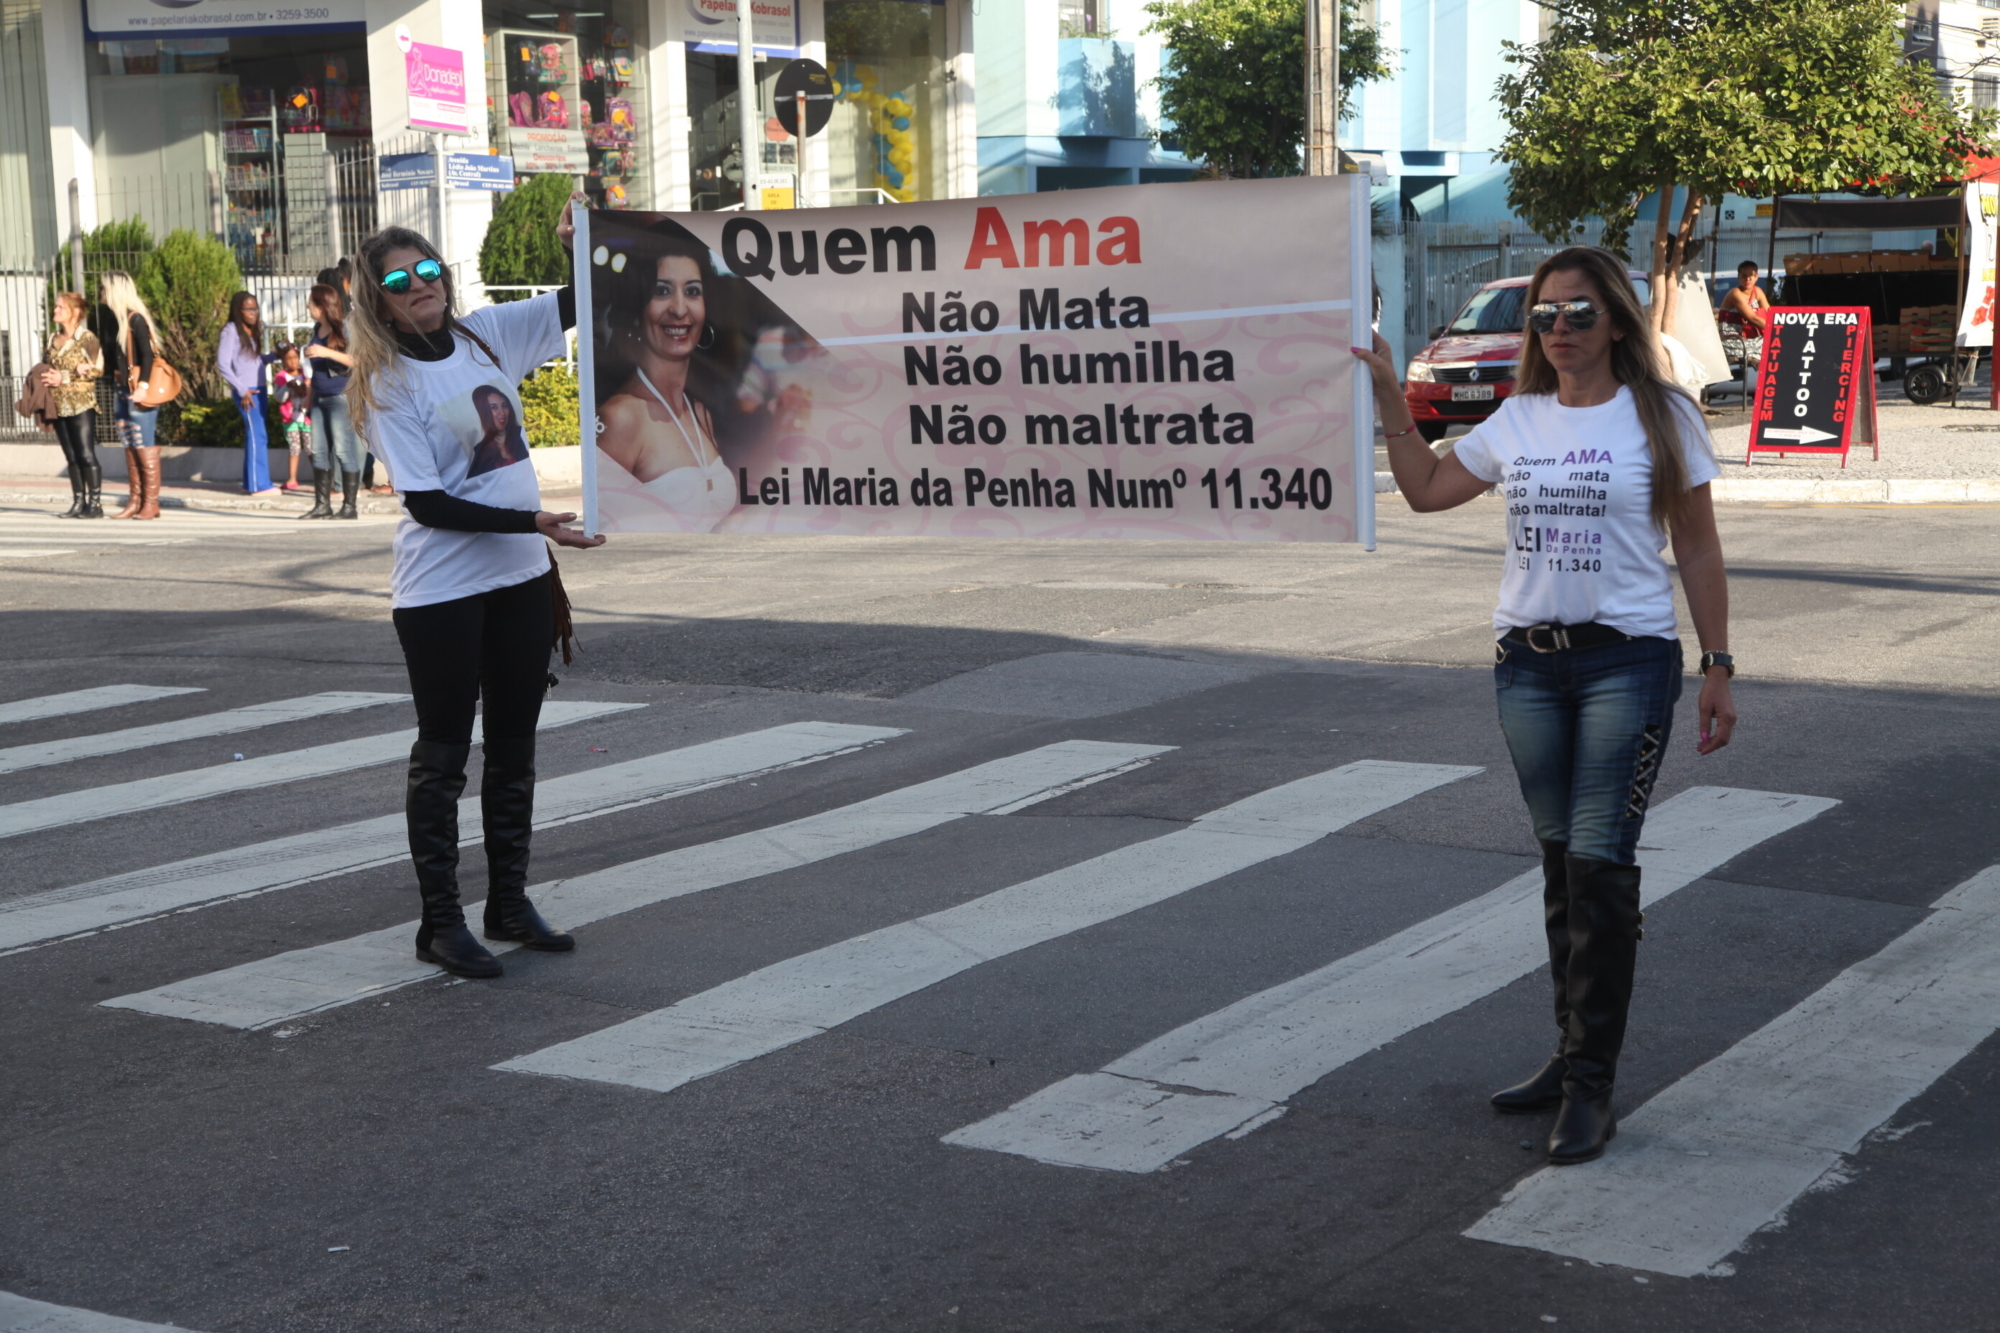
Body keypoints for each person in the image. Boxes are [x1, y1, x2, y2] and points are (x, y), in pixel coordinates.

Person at [1354, 245, 1737, 1167]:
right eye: (1543, 316)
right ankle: (1570, 1058)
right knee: (1564, 865)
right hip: (1528, 667)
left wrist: (1718, 662)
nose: (1557, 331)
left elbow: (1696, 546)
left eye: (1576, 313)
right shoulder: (1518, 419)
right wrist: (1384, 399)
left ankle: (1592, 1088)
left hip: (1627, 662)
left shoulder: (1661, 415)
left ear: (1616, 319)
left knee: (1602, 867)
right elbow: (1428, 491)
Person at [344, 205, 602, 981]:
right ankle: (441, 922)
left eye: (427, 270)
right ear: (377, 298)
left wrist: (578, 245)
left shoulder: (487, 334)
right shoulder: (387, 383)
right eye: (398, 279)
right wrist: (534, 518)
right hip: (441, 593)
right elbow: (426, 503)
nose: (419, 285)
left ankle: (509, 903)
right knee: (445, 754)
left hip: (522, 577)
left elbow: (579, 299)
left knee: (515, 746)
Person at [596, 235, 733, 528]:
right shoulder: (620, 417)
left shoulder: (700, 412)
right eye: (662, 291)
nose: (680, 309)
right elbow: (606, 535)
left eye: (693, 291)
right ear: (637, 305)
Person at [96, 271, 164, 521]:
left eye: (103, 288)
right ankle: (134, 500)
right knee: (129, 444)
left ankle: (151, 503)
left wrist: (143, 386)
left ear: (115, 290)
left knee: (144, 444)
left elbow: (147, 355)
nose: (100, 293)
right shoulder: (114, 320)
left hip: (138, 390)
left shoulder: (135, 319)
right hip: (121, 388)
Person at [302, 282, 364, 521]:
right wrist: (308, 398)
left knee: (342, 450)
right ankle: (322, 505)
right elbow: (314, 371)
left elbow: (358, 361)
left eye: (311, 303)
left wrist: (326, 352)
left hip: (340, 397)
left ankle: (349, 507)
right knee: (318, 451)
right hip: (319, 397)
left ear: (321, 305)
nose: (308, 307)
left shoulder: (345, 328)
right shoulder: (316, 329)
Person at [42, 292, 104, 519]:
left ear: (75, 312)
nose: (55, 310)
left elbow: (98, 369)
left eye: (60, 307)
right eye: (55, 306)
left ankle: (95, 504)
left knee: (86, 454)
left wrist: (66, 376)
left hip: (81, 404)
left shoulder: (87, 338)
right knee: (71, 456)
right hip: (58, 404)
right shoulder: (52, 338)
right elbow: (48, 367)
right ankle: (78, 502)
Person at [217, 291, 279, 496]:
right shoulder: (230, 331)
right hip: (247, 392)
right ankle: (259, 485)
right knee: (257, 436)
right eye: (249, 309)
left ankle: (249, 482)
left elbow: (252, 360)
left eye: (256, 308)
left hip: (259, 389)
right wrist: (242, 389)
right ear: (238, 310)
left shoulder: (250, 331)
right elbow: (223, 364)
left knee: (256, 436)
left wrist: (273, 356)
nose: (254, 313)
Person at [272, 343, 313, 491]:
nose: (293, 361)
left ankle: (320, 477)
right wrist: (287, 387)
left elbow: (312, 390)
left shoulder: (307, 374)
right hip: (290, 419)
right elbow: (279, 398)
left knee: (311, 449)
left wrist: (305, 387)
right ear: (283, 360)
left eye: (295, 357)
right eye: (288, 359)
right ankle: (292, 479)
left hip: (307, 418)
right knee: (294, 449)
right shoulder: (281, 377)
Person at [467, 384, 530, 477]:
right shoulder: (479, 452)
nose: (502, 412)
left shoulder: (517, 438)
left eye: (504, 406)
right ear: (483, 412)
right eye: (494, 407)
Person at [1720, 261, 1770, 342]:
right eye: (1744, 276)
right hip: (1734, 338)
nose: (1747, 279)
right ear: (1738, 277)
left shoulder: (1758, 291)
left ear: (1756, 277)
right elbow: (1753, 318)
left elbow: (1769, 312)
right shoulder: (1735, 293)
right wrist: (1774, 328)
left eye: (1751, 275)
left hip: (1754, 336)